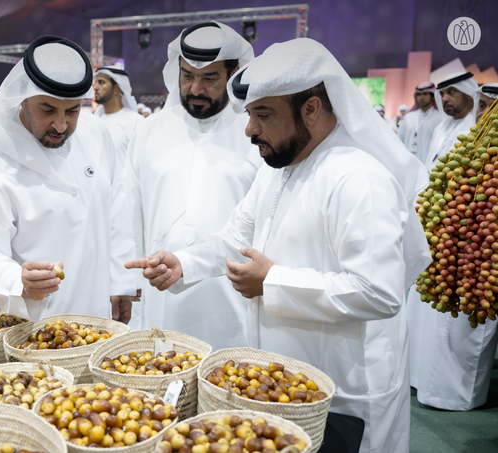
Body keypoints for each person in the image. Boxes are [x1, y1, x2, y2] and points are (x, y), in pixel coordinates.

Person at [126, 38, 431, 453]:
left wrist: (273, 283)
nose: (250, 130)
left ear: (311, 108)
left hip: (347, 385)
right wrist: (184, 263)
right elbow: (236, 238)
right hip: (285, 382)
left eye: (263, 115)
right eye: (250, 114)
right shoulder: (279, 169)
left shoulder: (358, 178)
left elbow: (378, 292)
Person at [0, 36, 137, 322]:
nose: (61, 125)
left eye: (72, 111)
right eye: (47, 110)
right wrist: (18, 280)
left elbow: (116, 208)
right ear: (22, 99)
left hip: (99, 307)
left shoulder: (97, 134)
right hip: (37, 322)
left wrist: (120, 282)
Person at [125, 21, 260, 347]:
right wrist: (130, 284)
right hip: (162, 289)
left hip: (233, 296)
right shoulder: (150, 130)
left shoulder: (256, 132)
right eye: (187, 76)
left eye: (210, 78)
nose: (196, 89)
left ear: (233, 73)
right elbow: (131, 210)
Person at [408, 73, 498, 411]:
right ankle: (422, 380)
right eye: (483, 107)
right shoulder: (467, 142)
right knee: (434, 310)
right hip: (448, 242)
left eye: (490, 108)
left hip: (478, 253)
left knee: (467, 320)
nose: (483, 115)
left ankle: (457, 395)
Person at [423, 72, 479, 171]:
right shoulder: (440, 128)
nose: (444, 99)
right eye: (442, 94)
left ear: (468, 94)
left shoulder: (476, 127)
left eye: (451, 92)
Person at [93, 67, 142, 163]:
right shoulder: (95, 120)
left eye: (101, 82)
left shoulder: (135, 121)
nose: (95, 87)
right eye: (96, 82)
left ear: (117, 89)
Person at [398, 82, 442, 164]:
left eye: (425, 94)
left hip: (430, 166)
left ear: (432, 96)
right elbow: (399, 140)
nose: (421, 97)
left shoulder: (440, 117)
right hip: (407, 164)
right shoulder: (408, 117)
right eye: (418, 95)